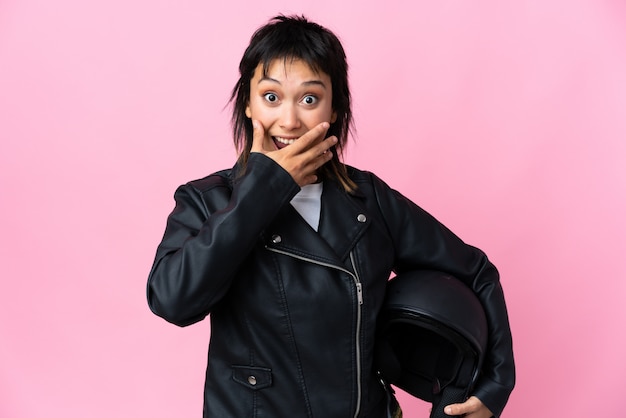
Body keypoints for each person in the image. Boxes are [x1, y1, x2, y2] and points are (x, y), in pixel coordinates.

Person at [147, 15, 515, 418]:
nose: (289, 121)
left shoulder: (369, 201)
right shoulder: (207, 200)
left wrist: (493, 387)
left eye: (309, 99)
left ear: (335, 106)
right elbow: (172, 301)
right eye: (271, 97)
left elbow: (475, 270)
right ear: (248, 104)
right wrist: (264, 189)